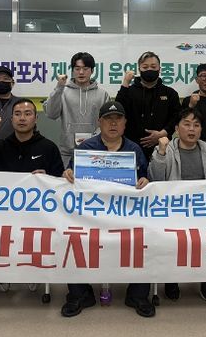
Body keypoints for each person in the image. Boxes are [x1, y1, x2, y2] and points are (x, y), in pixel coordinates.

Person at [61, 101, 153, 318]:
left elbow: (146, 178)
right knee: (72, 239)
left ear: (125, 123)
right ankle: (79, 294)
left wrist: (145, 181)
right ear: (99, 122)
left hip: (126, 215)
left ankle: (138, 295)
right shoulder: (85, 149)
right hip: (89, 216)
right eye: (108, 119)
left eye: (118, 119)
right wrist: (67, 174)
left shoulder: (134, 149)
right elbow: (70, 176)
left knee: (145, 239)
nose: (113, 124)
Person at [148, 107, 206, 302]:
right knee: (172, 242)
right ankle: (171, 280)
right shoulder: (165, 149)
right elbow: (155, 179)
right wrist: (161, 153)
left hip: (204, 211)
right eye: (187, 124)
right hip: (173, 211)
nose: (192, 129)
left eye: (196, 125)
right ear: (176, 128)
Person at [43, 52, 109, 166]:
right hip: (67, 153)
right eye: (77, 68)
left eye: (85, 68)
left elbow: (106, 122)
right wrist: (59, 88)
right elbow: (51, 114)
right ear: (72, 70)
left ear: (92, 70)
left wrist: (94, 138)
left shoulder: (102, 94)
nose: (81, 72)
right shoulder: (62, 91)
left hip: (95, 152)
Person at [0, 98, 64, 176]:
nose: (22, 118)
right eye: (17, 114)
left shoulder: (49, 148)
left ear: (36, 119)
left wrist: (47, 177)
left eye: (27, 114)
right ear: (12, 119)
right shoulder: (0, 147)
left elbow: (59, 178)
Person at [116, 51, 181, 160]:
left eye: (153, 67)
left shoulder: (170, 93)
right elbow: (118, 110)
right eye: (145, 67)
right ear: (139, 69)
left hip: (162, 147)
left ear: (159, 69)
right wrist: (125, 83)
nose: (149, 70)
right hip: (131, 148)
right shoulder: (129, 91)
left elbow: (177, 116)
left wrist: (163, 133)